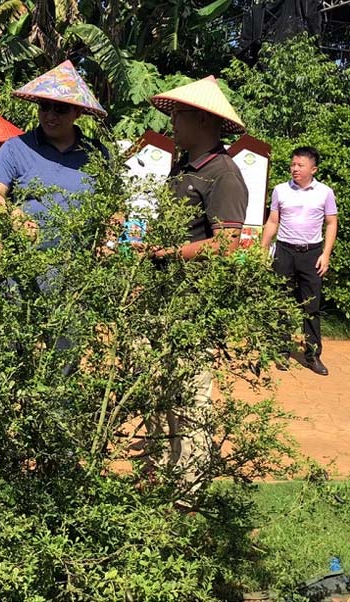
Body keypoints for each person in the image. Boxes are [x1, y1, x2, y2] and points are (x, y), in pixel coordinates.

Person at [144, 75, 249, 489]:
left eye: (179, 115)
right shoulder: (183, 167)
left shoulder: (224, 174)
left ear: (204, 120)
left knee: (189, 395)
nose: (172, 122)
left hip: (193, 304)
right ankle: (160, 474)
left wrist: (169, 253)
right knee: (159, 390)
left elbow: (226, 244)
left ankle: (188, 488)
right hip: (163, 297)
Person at [0, 60, 108, 234]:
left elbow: (115, 203)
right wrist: (14, 217)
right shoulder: (16, 148)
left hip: (84, 251)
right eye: (44, 106)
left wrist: (109, 240)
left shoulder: (97, 153)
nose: (50, 115)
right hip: (26, 250)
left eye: (61, 109)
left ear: (77, 112)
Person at [261, 147, 337, 375]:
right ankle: (281, 351)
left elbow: (331, 223)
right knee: (281, 303)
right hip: (284, 251)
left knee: (311, 306)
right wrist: (263, 249)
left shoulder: (325, 192)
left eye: (300, 165)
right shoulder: (280, 190)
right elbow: (273, 221)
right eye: (293, 164)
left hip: (311, 254)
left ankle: (313, 355)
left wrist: (326, 254)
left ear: (313, 169)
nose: (295, 169)